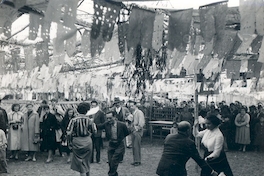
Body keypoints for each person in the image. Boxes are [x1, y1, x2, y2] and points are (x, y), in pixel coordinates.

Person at [96, 111, 129, 176]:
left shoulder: (122, 125)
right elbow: (98, 126)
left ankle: (111, 174)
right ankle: (114, 174)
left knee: (114, 160)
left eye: (110, 118)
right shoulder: (106, 124)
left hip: (119, 144)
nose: (108, 120)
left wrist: (120, 139)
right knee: (110, 162)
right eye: (107, 118)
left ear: (115, 117)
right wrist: (91, 123)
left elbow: (126, 133)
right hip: (111, 144)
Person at [67, 102, 94, 176]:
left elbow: (69, 133)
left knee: (80, 162)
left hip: (77, 141)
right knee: (86, 160)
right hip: (88, 141)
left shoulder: (73, 120)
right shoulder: (90, 120)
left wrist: (69, 143)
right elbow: (94, 130)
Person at [127, 100, 145, 166]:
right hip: (133, 130)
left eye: (132, 106)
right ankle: (135, 160)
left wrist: (137, 128)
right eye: (130, 106)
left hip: (137, 131)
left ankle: (137, 161)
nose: (131, 107)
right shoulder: (132, 113)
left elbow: (141, 122)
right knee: (134, 146)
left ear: (135, 105)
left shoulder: (139, 112)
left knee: (136, 146)